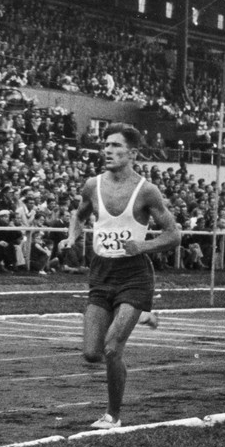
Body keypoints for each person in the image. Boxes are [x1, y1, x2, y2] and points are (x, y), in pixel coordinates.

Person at [59, 123, 181, 429]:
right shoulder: (92, 185)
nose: (108, 151)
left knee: (113, 347)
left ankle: (112, 415)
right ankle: (141, 317)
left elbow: (173, 235)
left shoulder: (146, 191)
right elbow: (79, 213)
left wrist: (141, 244)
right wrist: (73, 237)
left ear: (133, 153)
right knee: (91, 353)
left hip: (134, 275)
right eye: (105, 145)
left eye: (115, 145)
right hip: (101, 273)